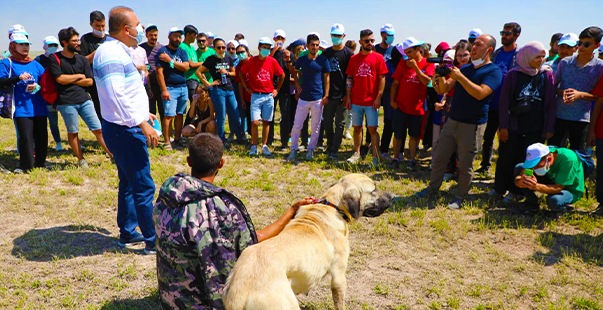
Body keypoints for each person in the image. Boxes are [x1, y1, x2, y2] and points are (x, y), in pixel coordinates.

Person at [154, 133, 313, 309]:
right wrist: (291, 211)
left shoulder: (168, 194)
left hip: (168, 301)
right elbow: (253, 242)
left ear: (189, 161)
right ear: (221, 163)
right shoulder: (221, 208)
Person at [94, 5, 159, 255]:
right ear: (126, 29)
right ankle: (153, 241)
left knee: (130, 183)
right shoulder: (110, 52)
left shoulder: (118, 50)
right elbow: (115, 95)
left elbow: (124, 93)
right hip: (126, 130)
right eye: (138, 24)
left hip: (123, 125)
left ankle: (129, 232)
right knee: (142, 185)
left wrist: (144, 113)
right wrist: (140, 122)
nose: (141, 28)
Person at [417, 34, 503, 209]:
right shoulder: (465, 69)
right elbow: (444, 88)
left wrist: (459, 76)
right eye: (473, 44)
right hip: (452, 120)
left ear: (489, 50)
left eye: (478, 44)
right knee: (440, 157)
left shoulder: (493, 71)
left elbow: (480, 93)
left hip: (472, 125)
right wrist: (439, 75)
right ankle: (432, 188)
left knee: (465, 163)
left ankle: (461, 196)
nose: (473, 47)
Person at [493, 42, 557, 203]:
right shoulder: (513, 75)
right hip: (513, 125)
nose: (541, 60)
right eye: (537, 57)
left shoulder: (546, 75)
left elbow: (550, 102)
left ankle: (517, 192)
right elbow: (504, 102)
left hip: (535, 127)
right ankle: (499, 189)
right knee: (506, 158)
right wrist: (504, 126)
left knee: (527, 161)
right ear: (527, 56)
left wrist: (549, 127)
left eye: (543, 57)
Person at [49, 26, 113, 169]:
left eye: (78, 40)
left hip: (85, 99)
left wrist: (69, 79)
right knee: (73, 132)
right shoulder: (55, 58)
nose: (78, 43)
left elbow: (89, 81)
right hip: (66, 102)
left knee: (98, 129)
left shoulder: (82, 60)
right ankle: (81, 159)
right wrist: (78, 76)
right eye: (75, 41)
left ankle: (112, 155)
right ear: (64, 42)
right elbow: (59, 79)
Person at [548, 26, 603, 151]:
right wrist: (562, 92)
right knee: (553, 155)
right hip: (559, 116)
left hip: (582, 120)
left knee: (575, 158)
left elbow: (599, 97)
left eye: (586, 44)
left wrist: (580, 95)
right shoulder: (565, 62)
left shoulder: (600, 67)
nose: (581, 47)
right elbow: (552, 88)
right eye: (580, 43)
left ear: (597, 45)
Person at [0, 33, 48, 173]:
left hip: (38, 106)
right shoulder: (7, 63)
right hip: (20, 107)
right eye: (21, 44)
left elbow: (45, 81)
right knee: (26, 137)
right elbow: (1, 81)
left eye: (26, 44)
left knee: (41, 136)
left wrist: (38, 87)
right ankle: (25, 166)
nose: (25, 47)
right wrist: (17, 78)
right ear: (13, 46)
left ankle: (40, 163)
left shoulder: (35, 63)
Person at [477, 22, 520, 175]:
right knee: (487, 137)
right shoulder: (496, 53)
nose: (504, 36)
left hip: (508, 105)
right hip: (492, 101)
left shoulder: (519, 55)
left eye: (508, 33)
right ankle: (485, 166)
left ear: (516, 35)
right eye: (503, 33)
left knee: (504, 139)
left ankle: (501, 172)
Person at [390, 37, 435, 171]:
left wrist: (415, 67)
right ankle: (396, 158)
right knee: (398, 134)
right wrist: (392, 101)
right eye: (406, 53)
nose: (408, 56)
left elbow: (427, 81)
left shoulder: (428, 64)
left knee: (414, 136)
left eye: (410, 52)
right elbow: (395, 84)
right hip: (401, 106)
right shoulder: (403, 64)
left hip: (417, 108)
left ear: (418, 49)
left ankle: (412, 159)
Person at [345, 29, 387, 165]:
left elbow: (382, 78)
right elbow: (349, 79)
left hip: (371, 101)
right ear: (360, 42)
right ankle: (357, 153)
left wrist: (379, 97)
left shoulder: (378, 58)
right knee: (357, 127)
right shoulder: (353, 59)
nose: (370, 43)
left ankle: (375, 157)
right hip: (356, 100)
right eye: (367, 41)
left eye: (372, 40)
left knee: (372, 129)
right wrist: (349, 97)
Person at [287, 34, 331, 161]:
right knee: (297, 126)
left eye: (317, 45)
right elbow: (295, 71)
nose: (315, 47)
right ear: (307, 46)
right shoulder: (302, 60)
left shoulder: (323, 60)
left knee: (315, 127)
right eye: (312, 45)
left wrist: (326, 95)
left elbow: (327, 78)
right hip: (303, 98)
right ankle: (293, 150)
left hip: (318, 98)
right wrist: (296, 84)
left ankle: (311, 150)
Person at [239, 37, 284, 156]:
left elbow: (281, 75)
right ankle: (254, 145)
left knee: (266, 122)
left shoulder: (272, 61)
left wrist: (277, 89)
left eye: (269, 48)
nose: (267, 50)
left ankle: (264, 145)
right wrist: (246, 87)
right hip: (256, 95)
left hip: (269, 96)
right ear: (259, 48)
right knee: (254, 122)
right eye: (264, 48)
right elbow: (242, 73)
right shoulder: (251, 61)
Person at [195, 38, 243, 145]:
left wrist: (227, 73)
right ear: (214, 48)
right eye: (219, 47)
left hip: (230, 90)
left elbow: (234, 73)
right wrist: (207, 84)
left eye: (223, 47)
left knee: (235, 114)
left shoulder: (228, 58)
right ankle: (222, 140)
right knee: (221, 117)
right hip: (218, 90)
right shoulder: (211, 59)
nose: (221, 50)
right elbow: (198, 72)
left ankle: (239, 136)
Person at [514, 143, 585, 213]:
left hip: (568, 188)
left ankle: (563, 209)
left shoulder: (568, 159)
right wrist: (519, 181)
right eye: (532, 165)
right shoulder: (538, 153)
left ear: (549, 159)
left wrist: (535, 186)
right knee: (519, 167)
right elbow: (521, 174)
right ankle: (532, 204)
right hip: (551, 179)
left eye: (537, 166)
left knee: (554, 200)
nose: (534, 169)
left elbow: (558, 188)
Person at [155, 27, 190, 150]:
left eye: (180, 37)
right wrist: (164, 90)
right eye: (175, 36)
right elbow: (159, 73)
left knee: (180, 114)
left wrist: (170, 61)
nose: (178, 39)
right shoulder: (162, 52)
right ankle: (166, 141)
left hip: (182, 88)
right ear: (169, 37)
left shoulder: (182, 52)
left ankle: (177, 139)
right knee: (169, 115)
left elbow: (186, 67)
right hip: (170, 88)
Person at [322, 23, 353, 159]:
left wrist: (348, 96)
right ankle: (329, 145)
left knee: (340, 123)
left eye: (338, 36)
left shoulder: (348, 54)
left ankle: (335, 149)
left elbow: (350, 77)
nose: (336, 38)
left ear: (344, 36)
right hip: (328, 94)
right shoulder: (326, 53)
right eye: (334, 35)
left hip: (342, 95)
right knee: (327, 121)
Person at [34, 36, 63, 151]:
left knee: (69, 119)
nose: (52, 48)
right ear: (44, 46)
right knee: (53, 121)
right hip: (48, 95)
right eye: (50, 45)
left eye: (54, 45)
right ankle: (58, 142)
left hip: (62, 95)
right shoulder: (39, 60)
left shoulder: (60, 58)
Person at [80, 10, 107, 119]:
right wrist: (96, 53)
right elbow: (82, 62)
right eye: (98, 26)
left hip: (108, 79)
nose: (101, 29)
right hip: (94, 81)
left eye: (103, 26)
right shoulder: (85, 39)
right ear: (91, 24)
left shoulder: (109, 39)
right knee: (98, 107)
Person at [268, 29, 291, 148]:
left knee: (285, 115)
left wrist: (289, 58)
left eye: (282, 38)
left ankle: (284, 142)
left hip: (284, 88)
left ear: (285, 40)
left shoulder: (287, 54)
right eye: (277, 38)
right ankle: (269, 139)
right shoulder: (271, 53)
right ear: (274, 39)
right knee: (270, 115)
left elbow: (292, 69)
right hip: (272, 88)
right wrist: (274, 50)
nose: (279, 41)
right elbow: (267, 62)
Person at [140, 24, 165, 121]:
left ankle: (165, 131)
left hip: (161, 82)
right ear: (146, 35)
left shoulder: (162, 48)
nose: (153, 37)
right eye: (151, 35)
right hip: (148, 82)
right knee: (150, 109)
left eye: (155, 35)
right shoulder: (141, 48)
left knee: (163, 109)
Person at [180, 25, 203, 124]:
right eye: (194, 35)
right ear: (188, 34)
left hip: (196, 79)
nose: (195, 37)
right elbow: (191, 64)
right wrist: (204, 62)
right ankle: (187, 126)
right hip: (189, 79)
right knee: (195, 103)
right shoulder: (182, 47)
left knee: (197, 102)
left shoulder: (192, 48)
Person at [587, 70, 603, 214]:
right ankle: (602, 204)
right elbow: (598, 103)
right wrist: (592, 129)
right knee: (602, 170)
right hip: (601, 132)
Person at [235, 41, 252, 135]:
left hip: (257, 94)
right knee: (249, 117)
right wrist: (242, 100)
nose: (240, 54)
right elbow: (240, 84)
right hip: (247, 96)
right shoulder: (239, 66)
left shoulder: (254, 61)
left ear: (247, 52)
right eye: (238, 53)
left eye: (242, 52)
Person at [343, 40, 357, 140]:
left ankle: (346, 130)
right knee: (341, 112)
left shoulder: (354, 59)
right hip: (341, 88)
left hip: (351, 88)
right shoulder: (343, 57)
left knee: (350, 112)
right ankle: (342, 129)